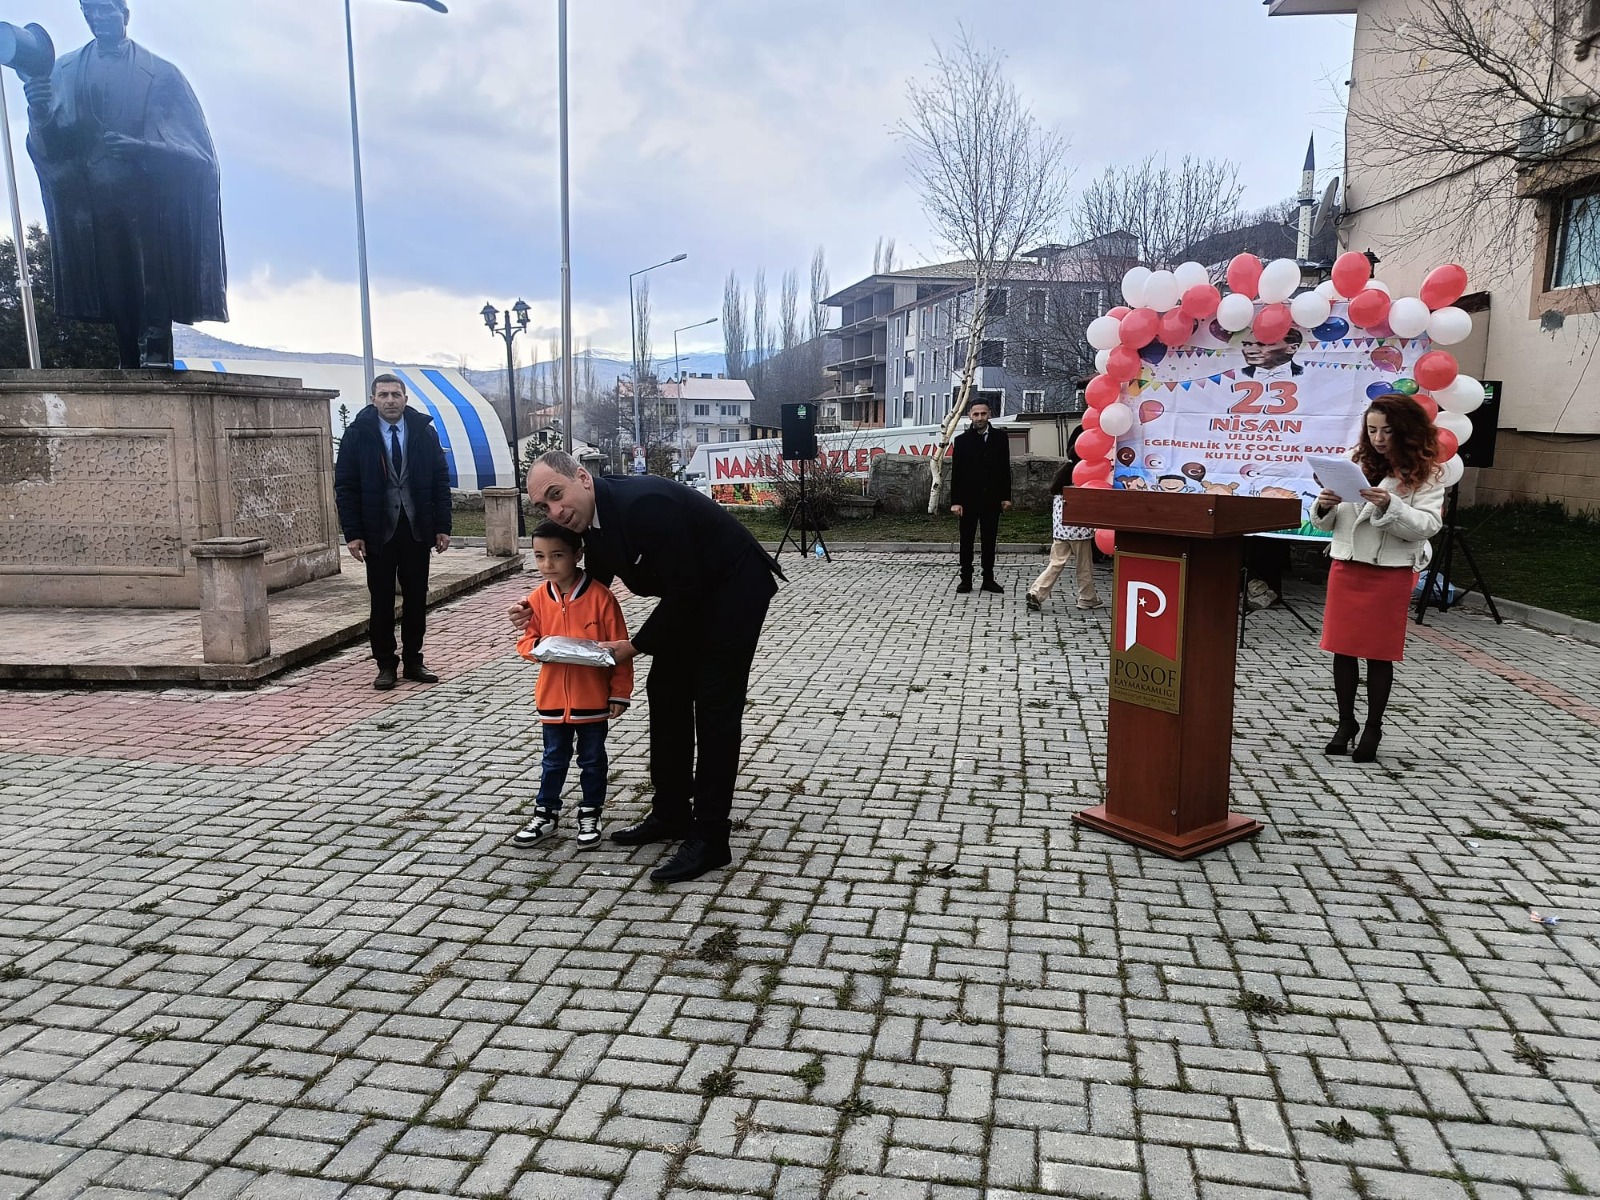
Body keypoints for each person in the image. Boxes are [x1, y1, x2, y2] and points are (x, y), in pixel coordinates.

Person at [513, 451, 780, 884]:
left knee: (714, 706)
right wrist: (540, 608)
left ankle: (711, 836)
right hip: (690, 595)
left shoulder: (643, 505)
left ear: (582, 477)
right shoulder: (587, 519)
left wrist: (633, 647)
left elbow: (686, 589)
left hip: (734, 589)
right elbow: (592, 586)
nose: (555, 512)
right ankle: (671, 812)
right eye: (544, 506)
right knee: (667, 690)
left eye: (557, 495)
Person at [23, 0, 228, 368]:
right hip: (93, 197)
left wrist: (142, 148)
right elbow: (52, 148)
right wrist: (38, 112)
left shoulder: (162, 74)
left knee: (152, 273)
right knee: (113, 277)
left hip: (149, 197)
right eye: (90, 11)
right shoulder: (63, 71)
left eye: (106, 9)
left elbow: (199, 154)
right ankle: (127, 354)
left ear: (125, 14)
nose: (98, 18)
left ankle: (157, 349)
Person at [1311, 393, 1444, 763]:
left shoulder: (1427, 473)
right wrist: (1324, 504)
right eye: (1371, 430)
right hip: (1347, 565)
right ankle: (1345, 723)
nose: (1378, 438)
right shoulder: (1354, 462)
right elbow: (1328, 523)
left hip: (1389, 571)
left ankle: (1373, 727)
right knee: (1342, 648)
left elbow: (1427, 526)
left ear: (1406, 431)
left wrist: (1390, 505)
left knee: (1378, 654)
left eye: (1387, 430)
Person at [512, 521, 633, 852]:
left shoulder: (601, 598)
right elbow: (526, 642)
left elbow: (621, 649)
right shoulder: (536, 599)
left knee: (592, 760)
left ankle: (590, 813)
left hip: (592, 698)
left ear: (577, 554)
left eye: (557, 555)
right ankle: (545, 814)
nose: (547, 565)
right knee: (553, 759)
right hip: (551, 699)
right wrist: (541, 649)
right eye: (539, 556)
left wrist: (620, 692)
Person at [334, 374, 452, 691]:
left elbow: (440, 481)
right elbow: (345, 486)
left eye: (395, 394)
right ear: (373, 399)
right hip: (378, 531)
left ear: (405, 399)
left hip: (416, 529)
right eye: (383, 395)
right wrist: (353, 533)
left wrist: (442, 526)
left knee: (416, 598)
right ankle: (385, 664)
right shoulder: (358, 435)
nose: (390, 400)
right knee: (382, 601)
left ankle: (414, 660)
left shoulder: (423, 432)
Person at [1027, 446, 1102, 614]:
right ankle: (1087, 597)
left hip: (1061, 530)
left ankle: (1036, 592)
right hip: (1080, 530)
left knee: (1055, 563)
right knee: (1084, 565)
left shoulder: (1062, 473)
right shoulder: (1083, 473)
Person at [949, 401, 1012, 593]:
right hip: (968, 500)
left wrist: (1006, 496)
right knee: (966, 540)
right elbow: (957, 473)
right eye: (976, 414)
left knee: (989, 541)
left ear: (989, 414)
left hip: (992, 498)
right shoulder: (962, 441)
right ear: (970, 416)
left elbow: (1005, 469)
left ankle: (988, 579)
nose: (979, 418)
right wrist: (956, 501)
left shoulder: (1000, 438)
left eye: (983, 414)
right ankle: (966, 578)